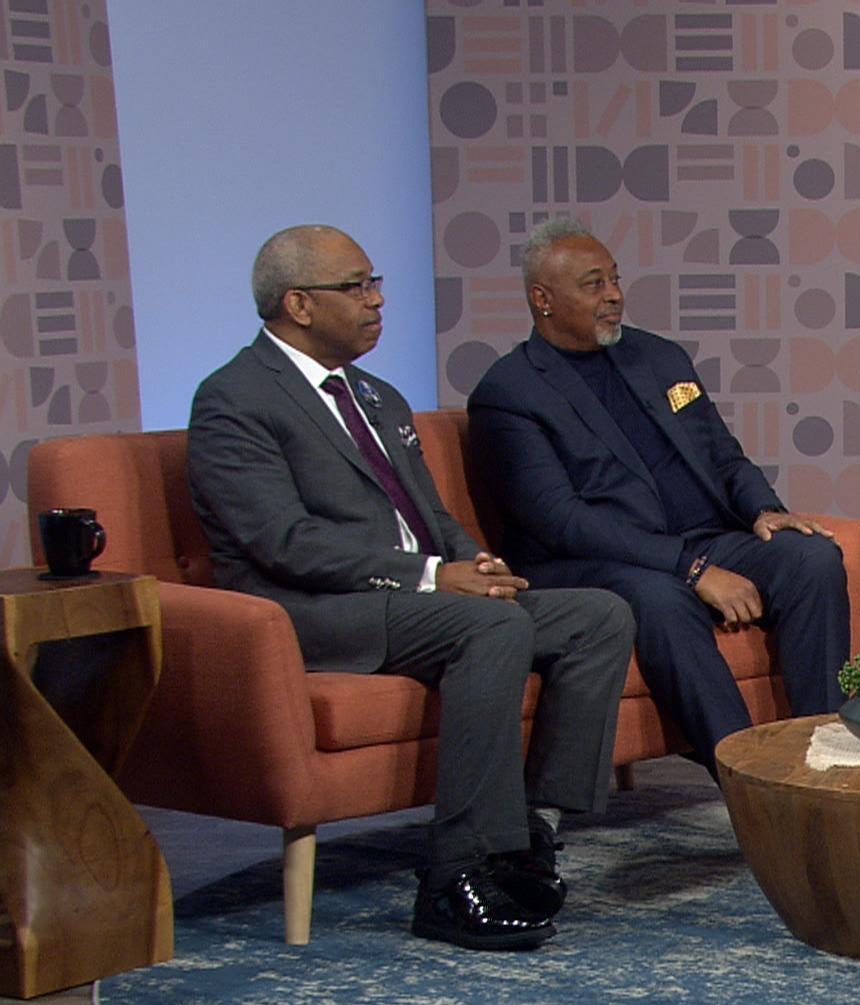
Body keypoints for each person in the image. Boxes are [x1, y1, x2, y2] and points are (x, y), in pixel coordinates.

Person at [187, 224, 635, 951]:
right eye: (356, 287)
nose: (375, 302)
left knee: (598, 615)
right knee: (491, 628)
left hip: (410, 597)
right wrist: (432, 576)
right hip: (308, 613)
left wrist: (475, 563)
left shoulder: (376, 394)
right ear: (298, 304)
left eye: (376, 284)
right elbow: (282, 543)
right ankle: (456, 875)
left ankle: (531, 834)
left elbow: (429, 515)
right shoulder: (234, 400)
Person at [466, 219, 850, 771]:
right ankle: (745, 779)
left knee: (810, 558)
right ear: (543, 300)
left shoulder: (660, 358)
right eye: (594, 284)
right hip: (595, 561)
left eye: (615, 280)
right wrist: (690, 569)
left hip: (700, 541)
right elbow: (561, 521)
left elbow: (722, 453)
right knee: (661, 599)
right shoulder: (510, 393)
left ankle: (824, 755)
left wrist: (764, 510)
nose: (614, 296)